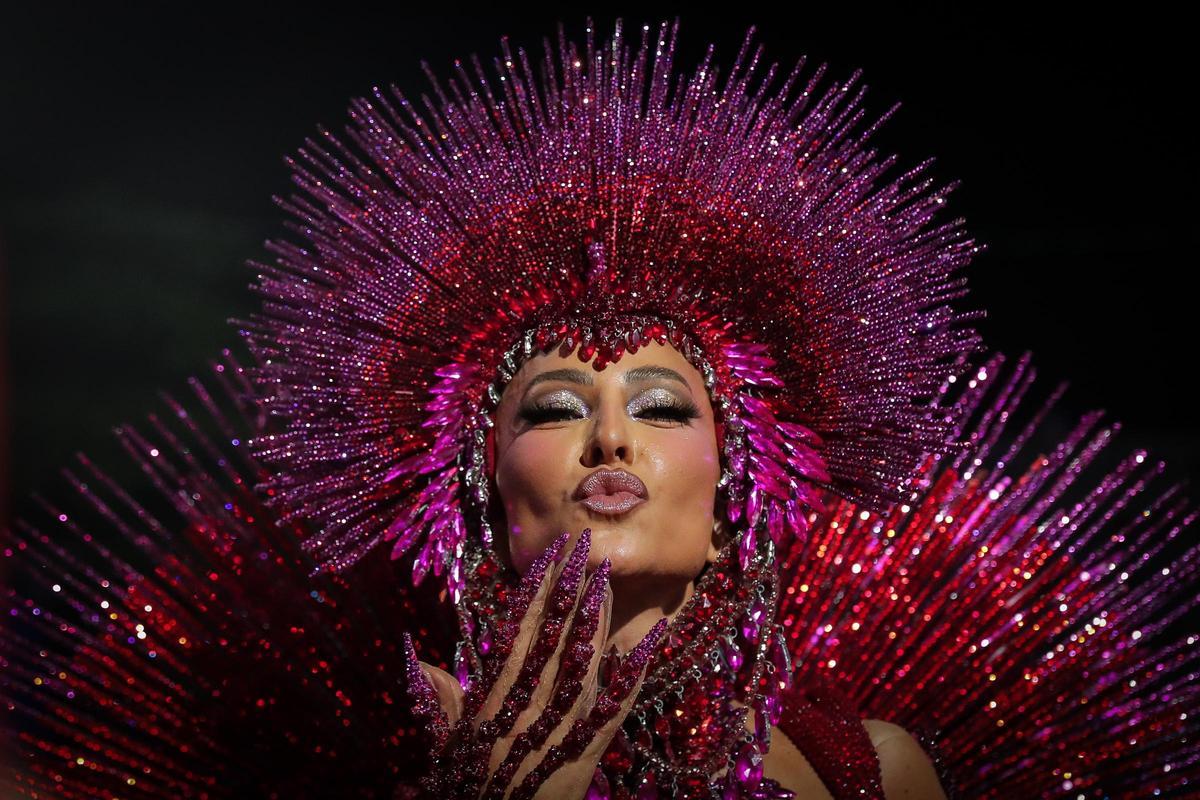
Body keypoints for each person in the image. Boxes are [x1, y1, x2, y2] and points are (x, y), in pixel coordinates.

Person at [2, 16, 1196, 800]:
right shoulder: (370, 767)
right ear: (476, 491)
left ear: (739, 493)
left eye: (665, 405)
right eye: (558, 404)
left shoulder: (868, 769)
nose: (612, 436)